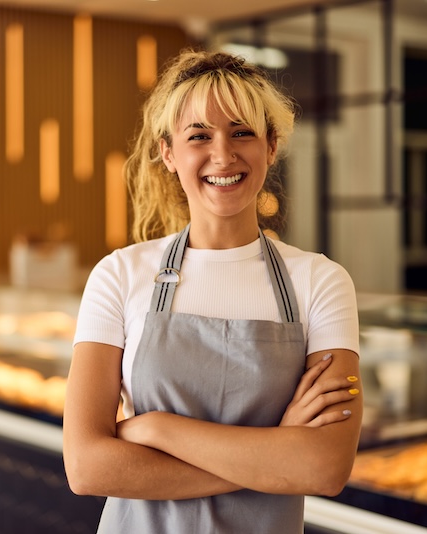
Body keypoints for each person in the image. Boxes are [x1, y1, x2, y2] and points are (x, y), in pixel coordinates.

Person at [63, 48, 362, 533]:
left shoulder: (321, 282)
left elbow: (324, 468)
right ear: (168, 153)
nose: (222, 154)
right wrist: (273, 457)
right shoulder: (119, 275)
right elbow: (87, 467)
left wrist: (157, 429)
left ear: (271, 146)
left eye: (241, 132)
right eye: (199, 136)